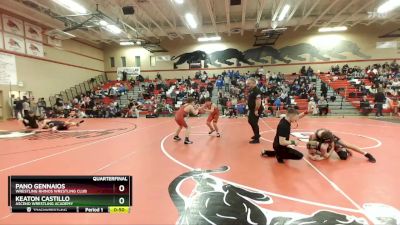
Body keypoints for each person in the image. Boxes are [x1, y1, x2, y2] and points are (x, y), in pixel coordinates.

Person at [306, 129, 376, 163]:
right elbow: (309, 148)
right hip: (323, 142)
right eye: (328, 142)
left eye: (330, 142)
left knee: (344, 153)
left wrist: (366, 154)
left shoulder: (330, 136)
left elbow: (349, 145)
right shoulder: (313, 137)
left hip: (329, 141)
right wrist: (311, 155)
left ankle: (367, 154)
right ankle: (332, 148)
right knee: (317, 148)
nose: (329, 143)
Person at [246, 78, 263, 144]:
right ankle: (257, 135)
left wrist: (256, 110)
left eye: (249, 83)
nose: (247, 85)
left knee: (254, 122)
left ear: (254, 83)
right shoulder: (252, 90)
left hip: (256, 109)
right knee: (250, 121)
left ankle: (257, 139)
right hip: (252, 109)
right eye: (247, 84)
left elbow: (258, 102)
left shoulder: (256, 90)